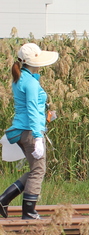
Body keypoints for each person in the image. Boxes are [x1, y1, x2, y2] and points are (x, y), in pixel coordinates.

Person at [0, 43, 60, 220]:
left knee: (36, 169)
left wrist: (47, 117)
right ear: (32, 61)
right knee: (39, 170)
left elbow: (30, 109)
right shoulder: (31, 83)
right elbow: (32, 110)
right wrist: (37, 137)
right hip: (29, 131)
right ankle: (28, 211)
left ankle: (4, 200)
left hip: (23, 129)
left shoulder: (22, 79)